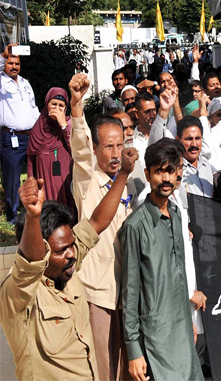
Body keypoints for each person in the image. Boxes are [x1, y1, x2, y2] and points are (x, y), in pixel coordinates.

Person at [0, 148, 137, 381]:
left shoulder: (66, 267)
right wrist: (33, 215)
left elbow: (96, 222)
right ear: (43, 252)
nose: (72, 253)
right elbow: (29, 265)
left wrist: (123, 172)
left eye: (72, 245)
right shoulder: (20, 296)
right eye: (61, 250)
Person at [69, 73, 135, 380]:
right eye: (108, 147)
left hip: (129, 292)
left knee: (128, 368)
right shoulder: (87, 181)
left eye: (119, 145)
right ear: (96, 149)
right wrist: (77, 106)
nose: (114, 153)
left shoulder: (130, 181)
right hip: (99, 292)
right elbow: (79, 149)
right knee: (104, 369)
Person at [121, 138, 203, 381]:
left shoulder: (177, 215)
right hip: (156, 339)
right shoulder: (135, 226)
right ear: (147, 174)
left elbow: (179, 278)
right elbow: (130, 293)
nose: (165, 179)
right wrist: (133, 351)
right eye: (159, 172)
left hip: (183, 330)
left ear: (178, 173)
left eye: (171, 171)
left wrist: (189, 321)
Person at [0, 43, 40, 224]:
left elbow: (33, 108)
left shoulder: (25, 83)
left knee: (37, 173)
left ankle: (36, 207)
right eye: (10, 63)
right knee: (12, 179)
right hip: (11, 138)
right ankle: (13, 216)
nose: (14, 66)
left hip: (31, 136)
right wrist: (4, 54)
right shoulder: (1, 82)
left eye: (17, 63)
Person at [26, 88, 75, 211]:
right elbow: (31, 159)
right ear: (46, 104)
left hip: (65, 179)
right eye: (53, 104)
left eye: (61, 106)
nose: (57, 108)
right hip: (44, 178)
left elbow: (77, 150)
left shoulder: (70, 124)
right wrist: (31, 183)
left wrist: (63, 125)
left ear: (66, 108)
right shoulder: (38, 129)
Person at [131, 91, 157, 191]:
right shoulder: (131, 143)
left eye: (154, 110)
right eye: (147, 112)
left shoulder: (165, 135)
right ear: (137, 114)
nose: (152, 115)